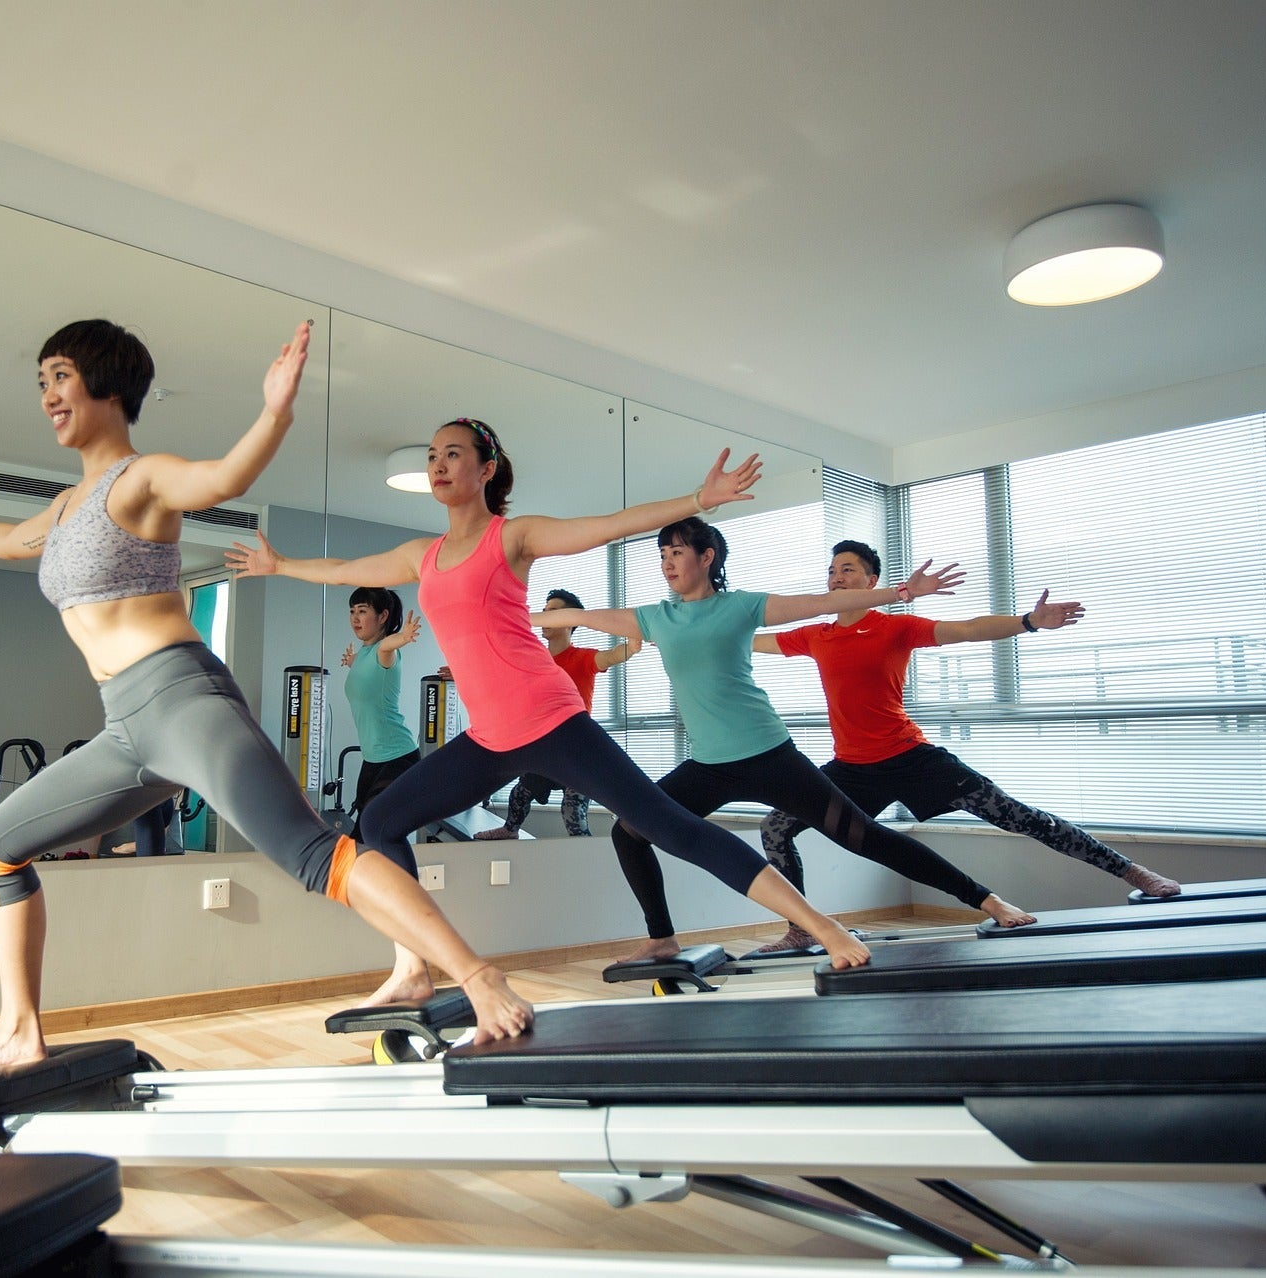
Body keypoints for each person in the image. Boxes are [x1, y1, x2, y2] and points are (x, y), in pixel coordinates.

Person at [0, 319, 531, 1070]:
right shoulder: (65, 507)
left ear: (107, 384)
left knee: (312, 854)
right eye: (41, 382)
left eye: (61, 376)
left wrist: (274, 413)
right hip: (123, 728)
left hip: (181, 700)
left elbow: (224, 479)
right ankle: (18, 1030)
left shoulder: (141, 478)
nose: (48, 396)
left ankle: (477, 975)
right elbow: (12, 542)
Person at [228, 419, 870, 1009]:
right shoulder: (422, 555)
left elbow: (611, 524)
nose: (438, 465)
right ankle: (413, 966)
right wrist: (279, 564)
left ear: (486, 469)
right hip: (488, 737)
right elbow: (344, 571)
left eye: (453, 454)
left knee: (670, 828)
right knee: (379, 820)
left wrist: (698, 501)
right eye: (432, 456)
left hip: (552, 720)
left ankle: (822, 925)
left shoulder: (513, 535)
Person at [541, 517, 1037, 960]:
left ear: (706, 557)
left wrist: (900, 594)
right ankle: (662, 938)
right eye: (663, 554)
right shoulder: (653, 618)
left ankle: (985, 899)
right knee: (630, 831)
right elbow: (570, 618)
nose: (667, 563)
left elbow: (822, 602)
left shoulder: (740, 608)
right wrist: (496, 619)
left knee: (863, 837)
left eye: (677, 552)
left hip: (768, 756)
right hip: (708, 765)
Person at [749, 539, 1181, 902]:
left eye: (847, 569)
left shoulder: (893, 628)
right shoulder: (814, 636)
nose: (836, 577)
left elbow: (969, 629)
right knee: (775, 827)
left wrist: (1028, 622)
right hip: (851, 769)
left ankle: (1132, 872)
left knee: (1020, 817)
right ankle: (802, 928)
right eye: (832, 571)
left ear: (871, 582)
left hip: (912, 758)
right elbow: (750, 642)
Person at [475, 588, 632, 840]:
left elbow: (610, 657)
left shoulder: (581, 658)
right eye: (544, 611)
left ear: (571, 621)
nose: (545, 617)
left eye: (553, 612)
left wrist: (631, 645)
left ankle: (589, 862)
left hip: (578, 753)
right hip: (545, 750)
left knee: (573, 817)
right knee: (520, 794)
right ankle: (509, 831)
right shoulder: (534, 661)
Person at [338, 586, 424, 839]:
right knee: (365, 830)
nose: (355, 618)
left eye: (363, 611)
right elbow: (368, 672)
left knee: (370, 830)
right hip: (373, 759)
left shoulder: (386, 650)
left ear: (383, 616)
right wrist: (353, 662)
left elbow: (390, 644)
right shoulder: (364, 653)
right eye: (352, 611)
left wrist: (404, 636)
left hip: (398, 758)